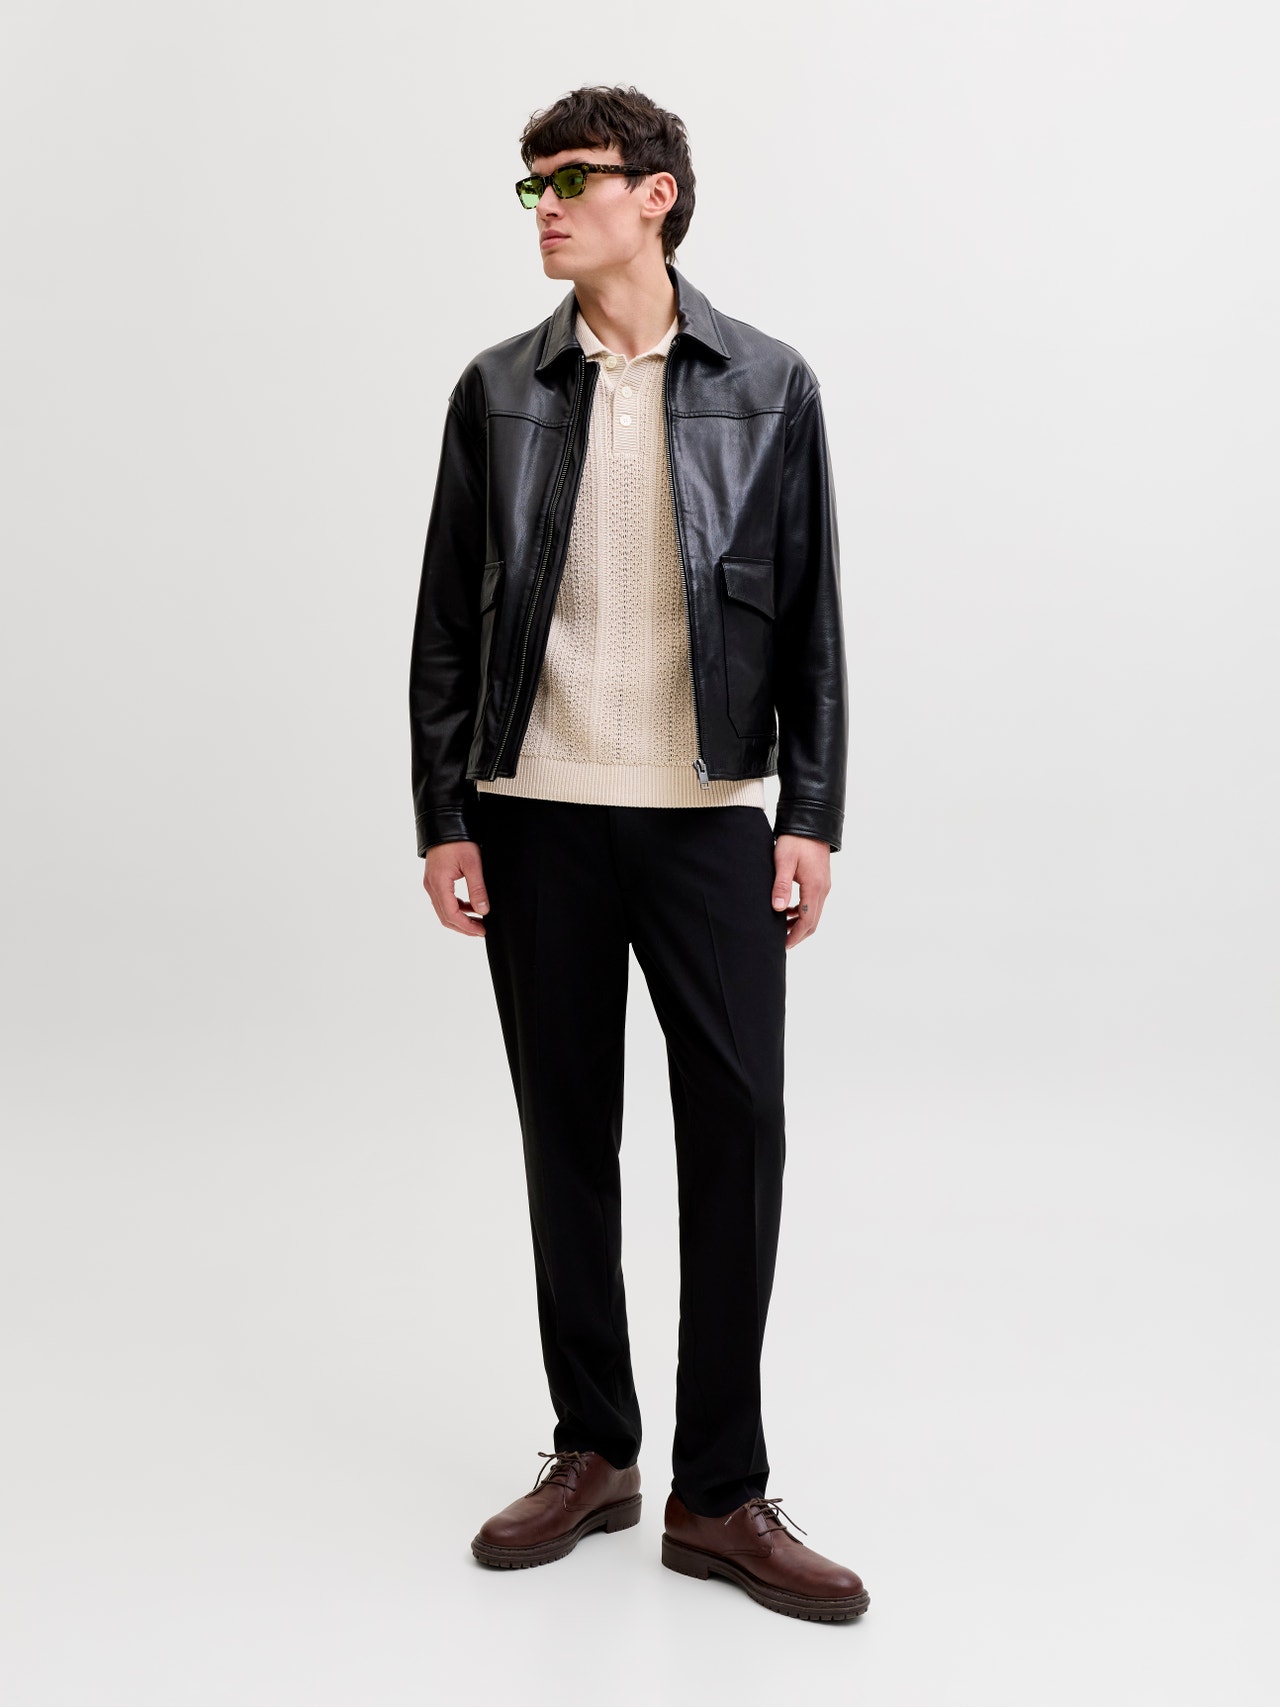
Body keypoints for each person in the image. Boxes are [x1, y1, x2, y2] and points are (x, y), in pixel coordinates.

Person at [408, 84, 868, 1622]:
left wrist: (810, 813)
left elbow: (812, 616)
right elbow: (445, 619)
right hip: (534, 812)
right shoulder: (496, 390)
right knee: (568, 1138)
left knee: (737, 1137)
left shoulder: (769, 383)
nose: (544, 206)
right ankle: (595, 1450)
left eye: (573, 179)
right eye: (531, 184)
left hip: (704, 820)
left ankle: (719, 1492)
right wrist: (445, 813)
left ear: (655, 194)